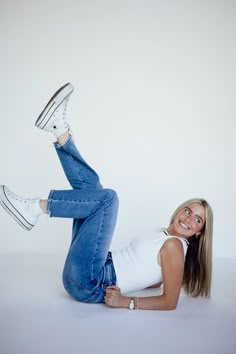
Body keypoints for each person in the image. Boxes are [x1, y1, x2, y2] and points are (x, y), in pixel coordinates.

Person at [0, 83, 213, 310]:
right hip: (95, 268)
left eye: (197, 220)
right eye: (188, 211)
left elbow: (170, 302)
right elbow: (155, 280)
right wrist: (143, 280)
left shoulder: (175, 247)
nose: (188, 219)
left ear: (199, 232)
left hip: (91, 282)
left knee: (107, 199)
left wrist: (126, 302)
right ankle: (59, 129)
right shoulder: (164, 237)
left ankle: (34, 208)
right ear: (179, 210)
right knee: (93, 189)